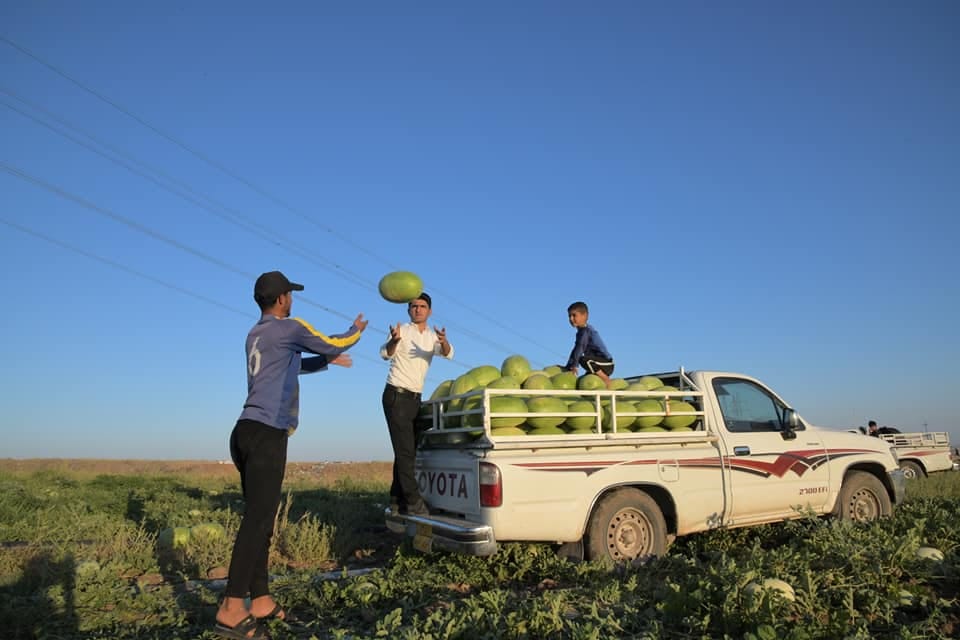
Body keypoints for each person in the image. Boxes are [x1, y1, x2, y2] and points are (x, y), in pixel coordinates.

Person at [215, 271, 367, 640]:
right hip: (267, 434)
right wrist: (356, 329)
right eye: (290, 295)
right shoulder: (288, 328)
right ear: (282, 298)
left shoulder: (257, 333)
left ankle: (261, 598)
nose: (292, 300)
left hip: (244, 432)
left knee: (261, 519)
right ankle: (232, 607)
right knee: (257, 522)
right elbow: (331, 341)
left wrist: (324, 364)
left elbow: (292, 364)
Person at [380, 292, 453, 516]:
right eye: (413, 306)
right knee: (405, 453)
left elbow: (449, 354)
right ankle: (414, 503)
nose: (417, 309)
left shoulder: (433, 336)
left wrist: (445, 342)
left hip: (414, 399)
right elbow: (385, 353)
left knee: (406, 452)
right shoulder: (402, 331)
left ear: (429, 311)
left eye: (422, 306)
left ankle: (396, 500)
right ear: (408, 310)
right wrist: (393, 341)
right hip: (396, 395)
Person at [564, 301, 615, 387]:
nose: (571, 319)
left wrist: (575, 365)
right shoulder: (580, 332)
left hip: (606, 364)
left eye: (574, 315)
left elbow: (580, 347)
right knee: (583, 380)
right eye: (569, 316)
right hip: (595, 363)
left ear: (585, 316)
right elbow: (575, 350)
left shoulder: (586, 331)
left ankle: (606, 380)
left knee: (583, 359)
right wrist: (568, 366)